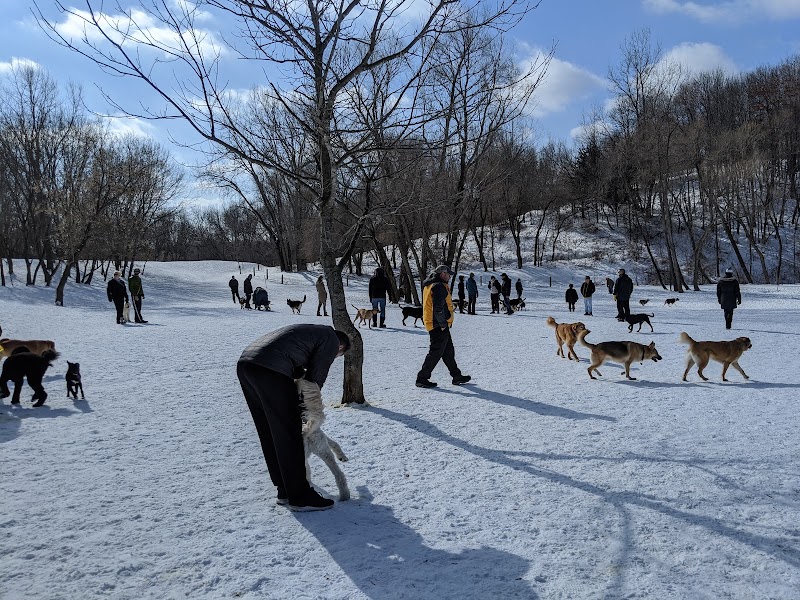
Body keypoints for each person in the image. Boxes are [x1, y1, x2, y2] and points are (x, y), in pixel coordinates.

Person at [237, 324, 351, 511]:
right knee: (291, 433)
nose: (334, 358)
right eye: (338, 356)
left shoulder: (312, 333)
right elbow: (314, 380)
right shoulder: (331, 340)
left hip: (247, 365)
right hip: (271, 369)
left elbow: (296, 366)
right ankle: (301, 497)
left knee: (270, 431)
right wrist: (307, 409)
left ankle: (284, 490)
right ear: (340, 348)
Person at [416, 265, 470, 389]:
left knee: (448, 352)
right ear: (442, 274)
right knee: (435, 352)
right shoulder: (439, 286)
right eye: (448, 274)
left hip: (435, 323)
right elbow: (438, 308)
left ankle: (456, 376)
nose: (450, 276)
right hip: (438, 325)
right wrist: (443, 324)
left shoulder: (431, 284)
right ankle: (422, 378)